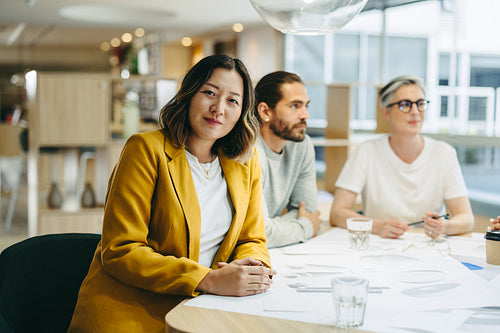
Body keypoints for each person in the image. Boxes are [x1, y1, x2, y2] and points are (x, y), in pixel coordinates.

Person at [68, 55, 276, 333]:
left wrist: (254, 270)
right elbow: (121, 250)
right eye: (209, 93)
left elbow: (252, 237)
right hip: (131, 311)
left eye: (232, 101)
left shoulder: (246, 161)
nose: (218, 108)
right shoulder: (145, 149)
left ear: (242, 111)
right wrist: (209, 279)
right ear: (189, 95)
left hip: (201, 308)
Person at [330, 75, 474, 240]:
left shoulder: (444, 153)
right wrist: (378, 226)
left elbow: (466, 218)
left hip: (427, 247)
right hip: (380, 244)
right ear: (386, 112)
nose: (415, 112)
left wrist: (444, 227)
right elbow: (337, 213)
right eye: (405, 105)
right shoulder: (366, 151)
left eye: (420, 104)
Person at [254, 71, 321, 248]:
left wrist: (274, 227)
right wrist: (306, 226)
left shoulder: (302, 144)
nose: (305, 115)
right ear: (265, 111)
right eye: (295, 106)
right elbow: (258, 233)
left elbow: (309, 210)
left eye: (306, 106)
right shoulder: (250, 152)